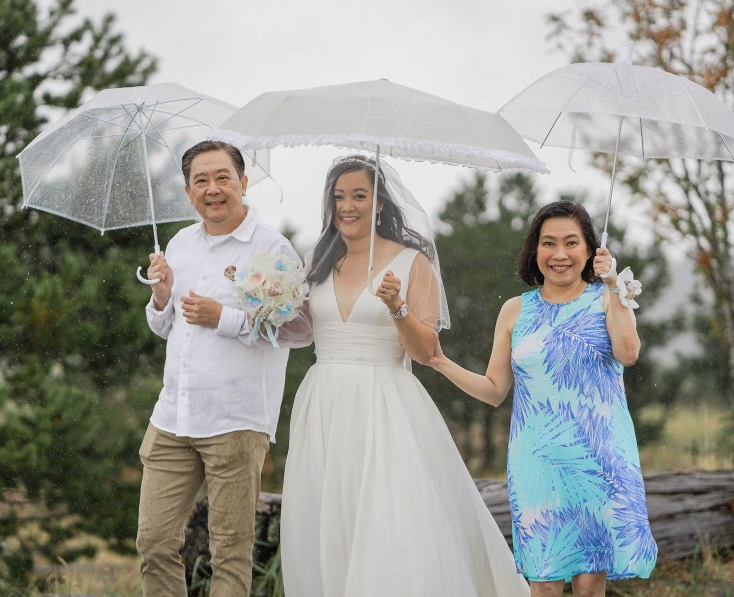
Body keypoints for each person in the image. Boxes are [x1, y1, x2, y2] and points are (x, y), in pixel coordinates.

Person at [280, 155, 528, 597]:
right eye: (339, 197)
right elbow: (300, 331)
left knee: (388, 517)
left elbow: (426, 350)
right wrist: (264, 305)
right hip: (323, 400)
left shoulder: (414, 262)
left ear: (379, 203)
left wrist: (398, 308)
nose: (348, 206)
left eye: (359, 195)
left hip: (384, 402)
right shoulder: (317, 258)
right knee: (329, 514)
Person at [428, 200, 657, 597]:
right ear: (535, 251)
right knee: (545, 584)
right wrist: (439, 361)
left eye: (572, 242)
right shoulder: (515, 310)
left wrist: (614, 286)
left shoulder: (608, 298)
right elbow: (494, 390)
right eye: (549, 243)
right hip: (538, 462)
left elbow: (628, 352)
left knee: (589, 586)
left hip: (598, 459)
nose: (560, 254)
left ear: (590, 250)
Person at [137, 140, 312, 597]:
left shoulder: (272, 248)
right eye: (201, 181)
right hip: (173, 416)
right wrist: (161, 296)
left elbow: (298, 328)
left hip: (235, 421)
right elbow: (166, 327)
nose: (212, 189)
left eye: (222, 178)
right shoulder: (178, 243)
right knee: (153, 542)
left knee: (229, 555)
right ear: (188, 190)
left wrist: (226, 318)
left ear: (243, 183)